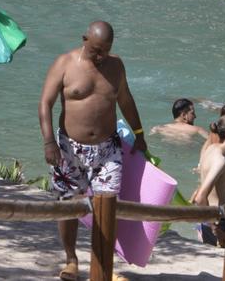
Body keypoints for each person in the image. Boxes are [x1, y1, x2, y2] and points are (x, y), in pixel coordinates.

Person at [38, 20, 147, 281]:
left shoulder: (116, 66)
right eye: (96, 50)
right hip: (69, 148)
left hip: (108, 149)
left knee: (107, 207)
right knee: (70, 206)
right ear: (84, 39)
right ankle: (71, 260)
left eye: (105, 51)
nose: (100, 56)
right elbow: (45, 104)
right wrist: (48, 142)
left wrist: (139, 134)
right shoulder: (64, 63)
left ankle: (102, 265)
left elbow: (125, 100)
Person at [190, 113, 225, 246]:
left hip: (205, 218)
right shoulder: (221, 160)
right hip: (215, 219)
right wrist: (215, 228)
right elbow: (200, 197)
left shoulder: (211, 149)